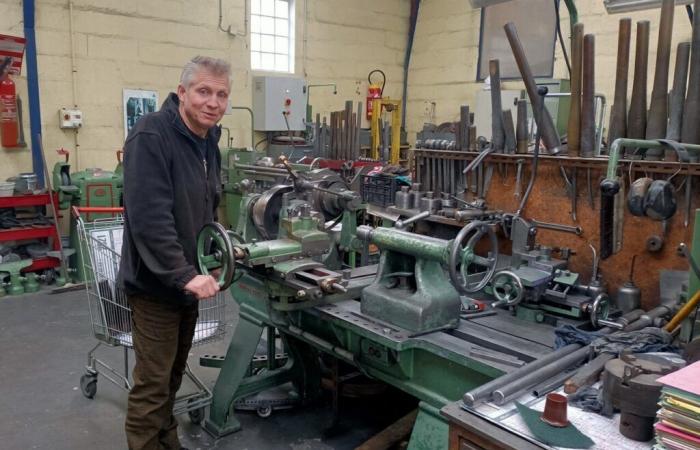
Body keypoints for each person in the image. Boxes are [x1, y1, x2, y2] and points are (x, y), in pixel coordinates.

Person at [118, 55, 230, 450]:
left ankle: (168, 442)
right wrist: (184, 274)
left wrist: (218, 251)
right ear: (182, 93)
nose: (213, 102)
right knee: (152, 386)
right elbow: (150, 218)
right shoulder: (152, 135)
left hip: (187, 280)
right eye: (203, 91)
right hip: (155, 285)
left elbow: (205, 205)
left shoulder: (207, 142)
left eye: (221, 94)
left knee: (172, 376)